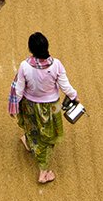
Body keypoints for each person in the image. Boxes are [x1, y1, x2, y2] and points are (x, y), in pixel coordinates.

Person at [8, 32, 80, 184]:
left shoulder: (24, 66)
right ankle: (44, 173)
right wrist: (74, 96)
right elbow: (65, 86)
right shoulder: (57, 65)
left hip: (29, 105)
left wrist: (14, 107)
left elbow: (18, 90)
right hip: (51, 108)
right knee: (47, 139)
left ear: (30, 49)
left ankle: (28, 142)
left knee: (31, 126)